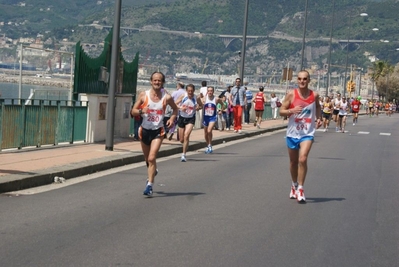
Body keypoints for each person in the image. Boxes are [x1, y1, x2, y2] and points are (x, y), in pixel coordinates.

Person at [130, 72, 178, 197]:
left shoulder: (166, 97)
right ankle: (153, 171)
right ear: (151, 81)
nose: (157, 82)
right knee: (148, 160)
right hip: (145, 130)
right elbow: (133, 111)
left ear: (163, 83)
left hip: (158, 131)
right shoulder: (143, 95)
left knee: (152, 158)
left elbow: (175, 109)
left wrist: (172, 119)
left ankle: (149, 185)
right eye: (155, 80)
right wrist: (141, 110)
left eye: (160, 81)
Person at [279, 70, 322, 203]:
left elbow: (318, 107)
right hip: (292, 133)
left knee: (302, 159)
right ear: (297, 80)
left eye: (305, 79)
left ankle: (301, 188)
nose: (302, 81)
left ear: (309, 80)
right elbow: (281, 111)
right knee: (293, 162)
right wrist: (291, 111)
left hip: (307, 133)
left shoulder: (314, 95)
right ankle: (294, 184)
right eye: (299, 79)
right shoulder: (291, 94)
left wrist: (319, 118)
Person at [175, 84, 202, 162]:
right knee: (181, 139)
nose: (190, 92)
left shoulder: (196, 97)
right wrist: (180, 108)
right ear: (186, 91)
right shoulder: (183, 96)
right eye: (189, 91)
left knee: (186, 135)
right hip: (182, 117)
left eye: (192, 91)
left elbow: (201, 106)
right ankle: (185, 144)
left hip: (191, 118)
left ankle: (184, 154)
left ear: (194, 91)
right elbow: (175, 104)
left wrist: (198, 107)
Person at [198, 86, 223, 154]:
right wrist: (198, 107)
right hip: (205, 117)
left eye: (211, 91)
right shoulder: (204, 99)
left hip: (213, 117)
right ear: (207, 92)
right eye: (208, 91)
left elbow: (222, 104)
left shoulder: (216, 99)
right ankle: (208, 145)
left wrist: (221, 110)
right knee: (206, 133)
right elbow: (200, 105)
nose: (210, 92)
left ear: (213, 91)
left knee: (209, 130)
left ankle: (210, 144)